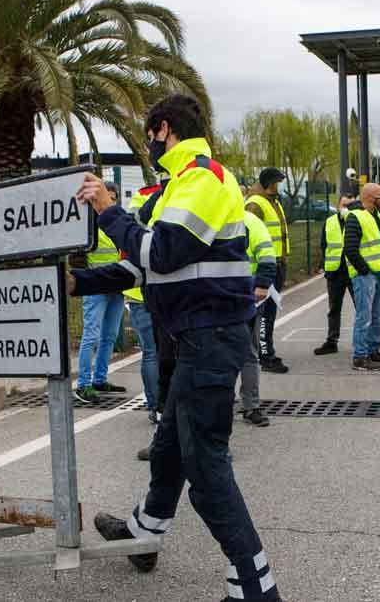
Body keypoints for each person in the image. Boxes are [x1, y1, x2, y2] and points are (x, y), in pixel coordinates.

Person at [76, 94, 282, 602]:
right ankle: (145, 534)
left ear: (162, 130)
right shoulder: (175, 188)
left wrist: (107, 210)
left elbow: (162, 254)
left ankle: (255, 586)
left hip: (210, 337)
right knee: (168, 447)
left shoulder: (204, 178)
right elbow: (140, 265)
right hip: (196, 338)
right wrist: (72, 283)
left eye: (149, 135)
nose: (148, 145)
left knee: (207, 469)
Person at [74, 181, 128, 404]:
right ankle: (83, 384)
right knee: (92, 336)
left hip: (116, 285)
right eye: (109, 196)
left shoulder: (117, 223)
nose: (111, 201)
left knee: (109, 336)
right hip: (96, 286)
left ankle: (100, 379)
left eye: (114, 197)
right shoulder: (89, 225)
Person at [245, 167, 290, 374]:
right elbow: (248, 236)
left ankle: (266, 350)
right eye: (274, 183)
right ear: (266, 183)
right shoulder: (255, 204)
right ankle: (264, 355)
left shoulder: (273, 202)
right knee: (263, 315)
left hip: (276, 263)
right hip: (264, 267)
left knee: (269, 313)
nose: (277, 186)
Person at [345, 183, 380, 370]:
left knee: (377, 315)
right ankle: (360, 357)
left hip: (379, 272)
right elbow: (350, 249)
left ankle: (373, 350)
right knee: (364, 316)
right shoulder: (355, 217)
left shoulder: (376, 215)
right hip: (365, 275)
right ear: (370, 198)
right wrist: (364, 270)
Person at [126, 183, 162, 423]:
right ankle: (161, 405)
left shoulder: (139, 198)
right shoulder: (174, 193)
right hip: (159, 288)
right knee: (162, 352)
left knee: (150, 353)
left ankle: (154, 406)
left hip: (137, 288)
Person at [240, 208, 276, 426]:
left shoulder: (250, 222)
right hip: (218, 295)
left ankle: (251, 405)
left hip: (247, 296)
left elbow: (267, 256)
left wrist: (262, 285)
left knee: (249, 352)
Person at [314, 192, 358, 355]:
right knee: (334, 308)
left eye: (351, 205)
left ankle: (364, 342)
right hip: (335, 271)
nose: (347, 208)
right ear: (338, 206)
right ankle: (331, 341)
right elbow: (324, 245)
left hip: (354, 270)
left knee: (361, 308)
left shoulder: (358, 219)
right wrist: (326, 266)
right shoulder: (330, 222)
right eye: (344, 205)